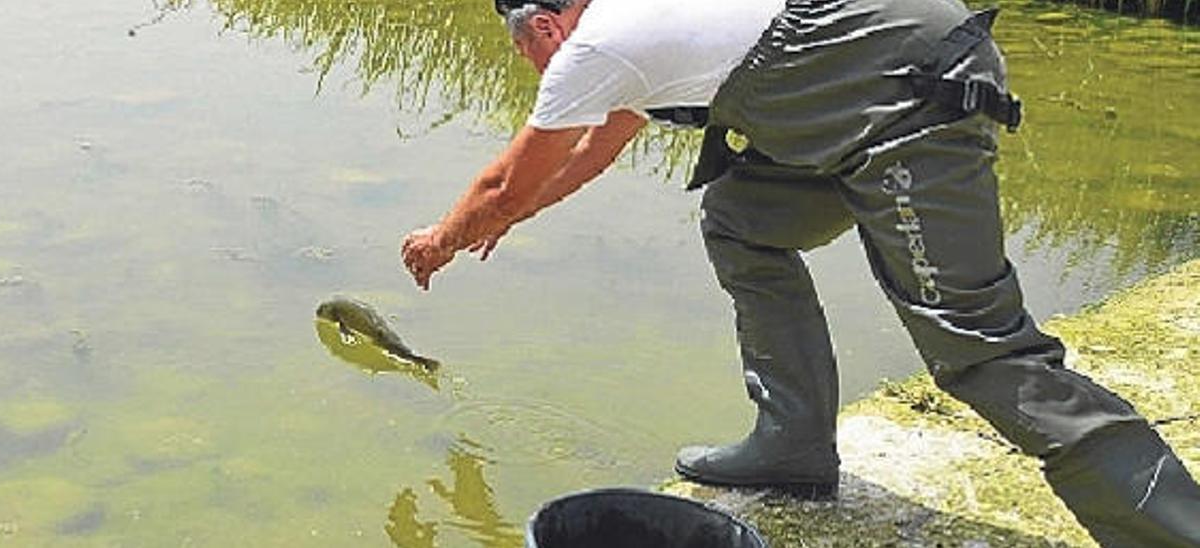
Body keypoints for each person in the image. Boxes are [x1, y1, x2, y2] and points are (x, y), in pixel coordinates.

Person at [399, 0, 1200, 544]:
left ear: (542, 23)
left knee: (984, 355)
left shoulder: (594, 46)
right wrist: (504, 221)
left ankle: (1173, 530)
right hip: (861, 99)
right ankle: (792, 444)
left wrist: (443, 237)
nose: (534, 65)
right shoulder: (639, 19)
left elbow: (512, 177)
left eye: (524, 48)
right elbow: (589, 153)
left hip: (907, 101)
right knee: (743, 220)